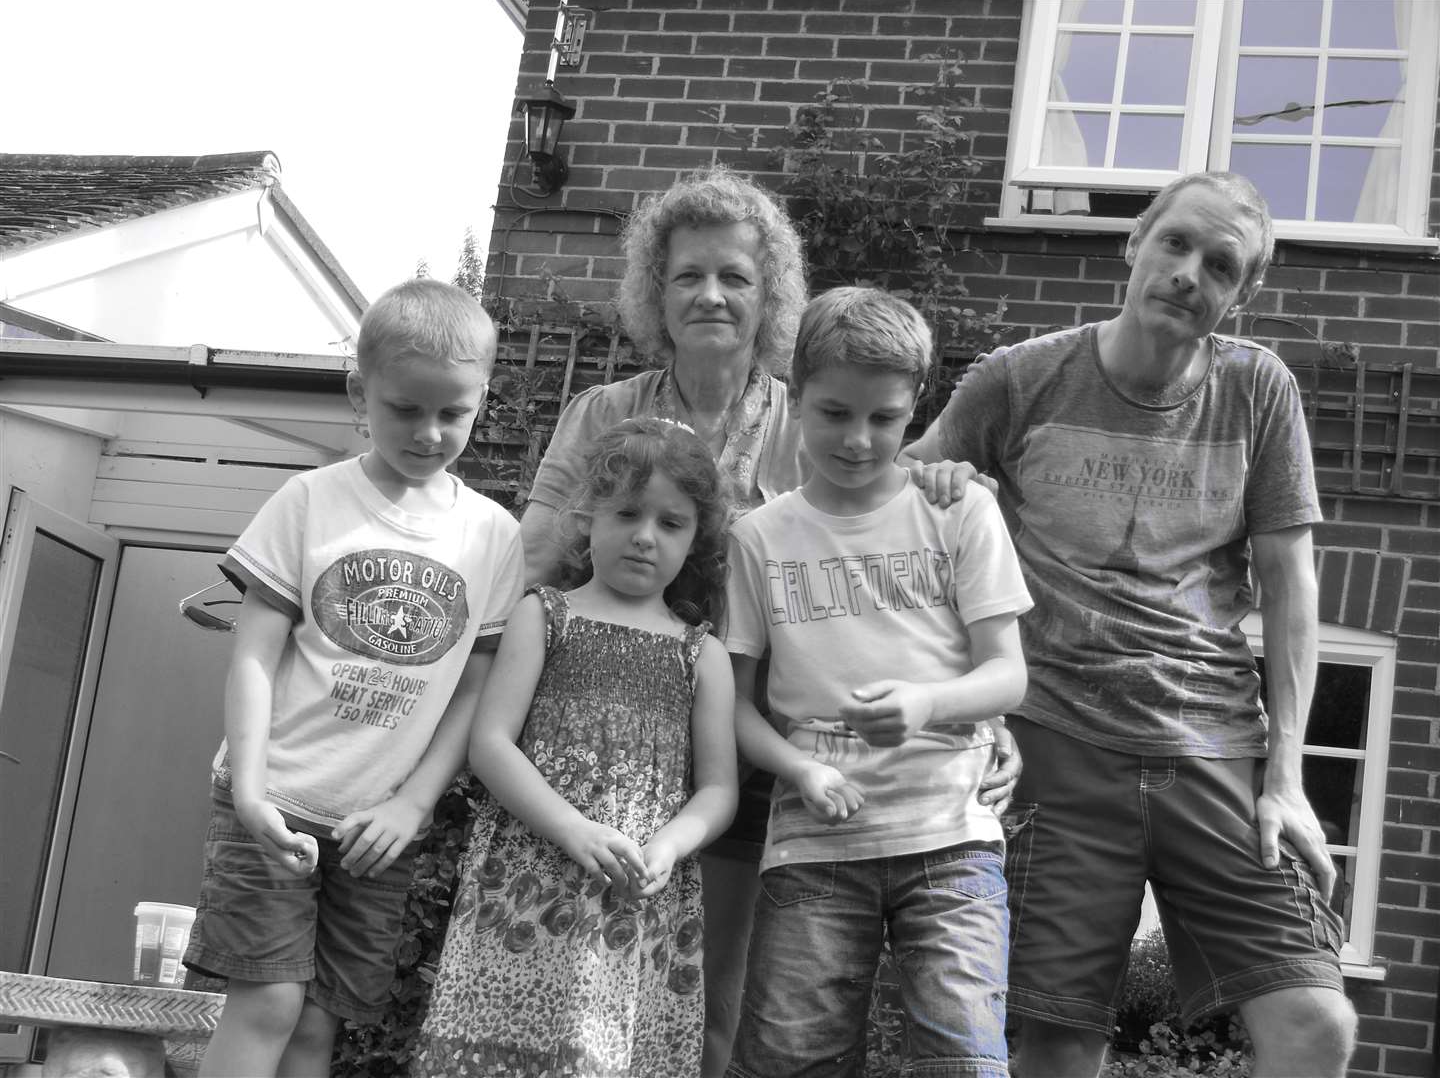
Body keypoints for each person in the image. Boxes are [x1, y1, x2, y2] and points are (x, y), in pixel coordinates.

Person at [519, 167, 1019, 1075]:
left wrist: (978, 714)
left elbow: (906, 543)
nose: (710, 295)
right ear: (654, 291)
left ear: (771, 295)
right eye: (687, 276)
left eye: (735, 277)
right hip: (610, 735)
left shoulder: (817, 417)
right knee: (586, 989)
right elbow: (533, 567)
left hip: (760, 751)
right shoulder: (603, 414)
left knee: (724, 999)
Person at [903, 171, 1357, 1077]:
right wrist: (936, 483)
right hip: (1057, 749)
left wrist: (1289, 777)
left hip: (1214, 751)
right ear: (1135, 244)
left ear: (1241, 294)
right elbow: (892, 505)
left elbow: (1289, 585)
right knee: (1060, 1041)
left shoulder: (1257, 392)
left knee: (1317, 1023)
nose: (1190, 272)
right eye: (1175, 244)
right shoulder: (1020, 378)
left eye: (1220, 265)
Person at [184, 279, 525, 1078]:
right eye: (406, 408)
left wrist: (414, 803)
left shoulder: (493, 536)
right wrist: (251, 793)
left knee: (317, 1027)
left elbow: (473, 690)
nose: (430, 431)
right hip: (278, 803)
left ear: (482, 401)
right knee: (267, 1003)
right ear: (358, 392)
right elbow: (253, 657)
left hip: (377, 828)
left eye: (455, 413)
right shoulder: (309, 502)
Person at [724, 287, 1032, 1078]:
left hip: (951, 836)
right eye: (833, 414)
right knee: (791, 1059)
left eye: (885, 419)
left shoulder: (959, 511)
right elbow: (738, 704)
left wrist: (928, 702)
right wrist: (800, 767)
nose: (859, 440)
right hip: (812, 844)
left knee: (964, 1060)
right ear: (794, 400)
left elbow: (1008, 676)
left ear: (915, 411)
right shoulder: (758, 538)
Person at [411, 418, 738, 1077]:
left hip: (635, 894)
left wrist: (670, 845)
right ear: (588, 518)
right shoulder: (544, 614)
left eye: (671, 524)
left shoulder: (701, 653)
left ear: (695, 539)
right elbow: (491, 744)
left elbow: (719, 787)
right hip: (526, 883)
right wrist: (572, 828)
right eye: (626, 513)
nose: (645, 537)